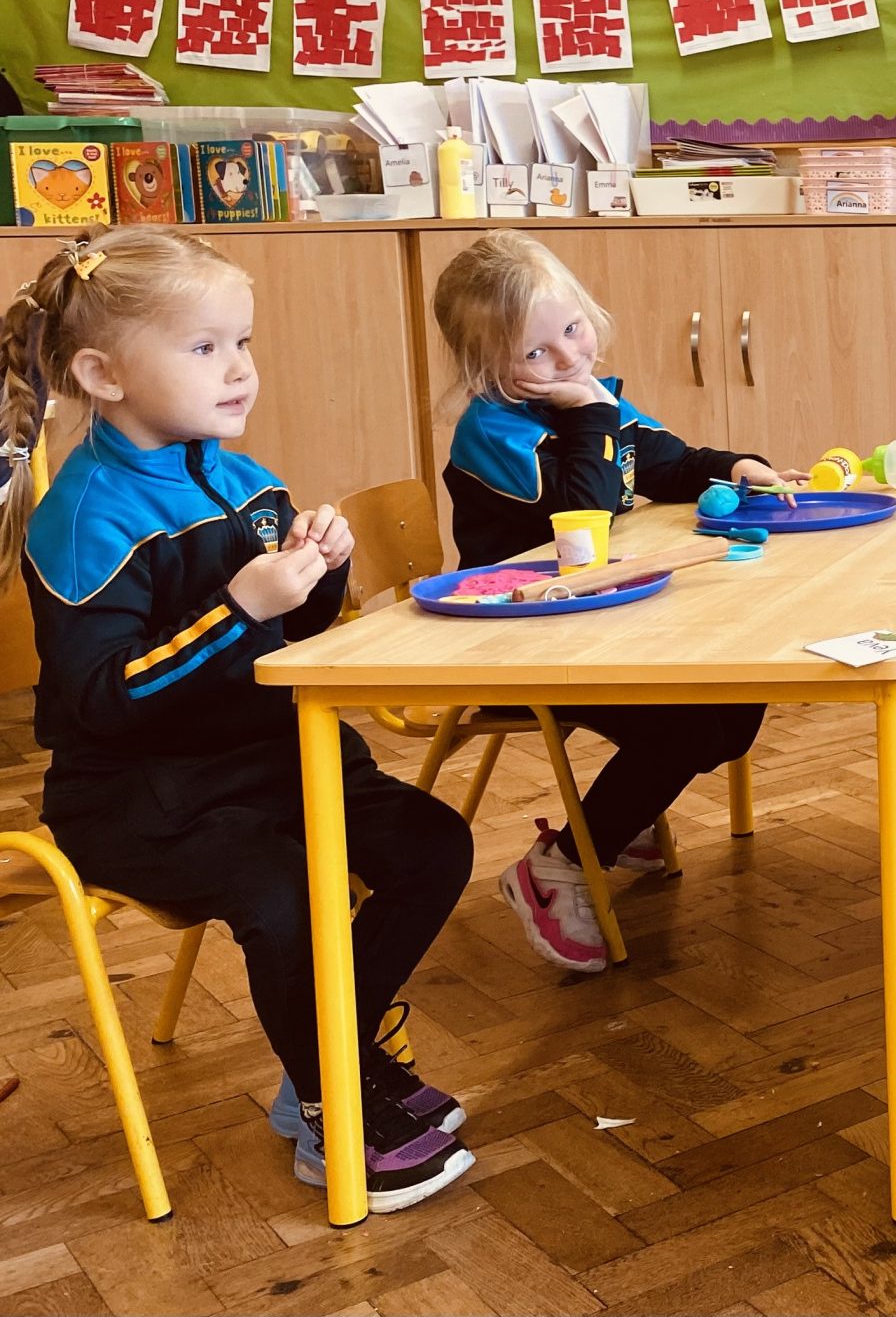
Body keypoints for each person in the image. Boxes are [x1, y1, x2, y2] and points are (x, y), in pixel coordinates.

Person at [3, 230, 474, 1213]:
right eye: (204, 347)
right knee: (285, 890)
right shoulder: (83, 516)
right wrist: (239, 608)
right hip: (140, 799)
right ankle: (330, 1098)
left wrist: (321, 568)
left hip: (271, 759)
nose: (239, 369)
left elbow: (289, 630)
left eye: (242, 342)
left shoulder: (241, 477)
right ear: (103, 375)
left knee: (434, 845)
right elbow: (105, 700)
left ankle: (330, 1054)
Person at [434, 232, 796, 974]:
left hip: (601, 622)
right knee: (696, 721)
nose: (569, 358)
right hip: (517, 642)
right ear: (486, 367)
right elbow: (586, 516)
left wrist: (736, 464)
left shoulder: (589, 402)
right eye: (536, 352)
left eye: (573, 329)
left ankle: (620, 815)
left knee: (737, 692)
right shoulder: (493, 432)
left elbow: (669, 464)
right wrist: (591, 416)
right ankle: (558, 866)